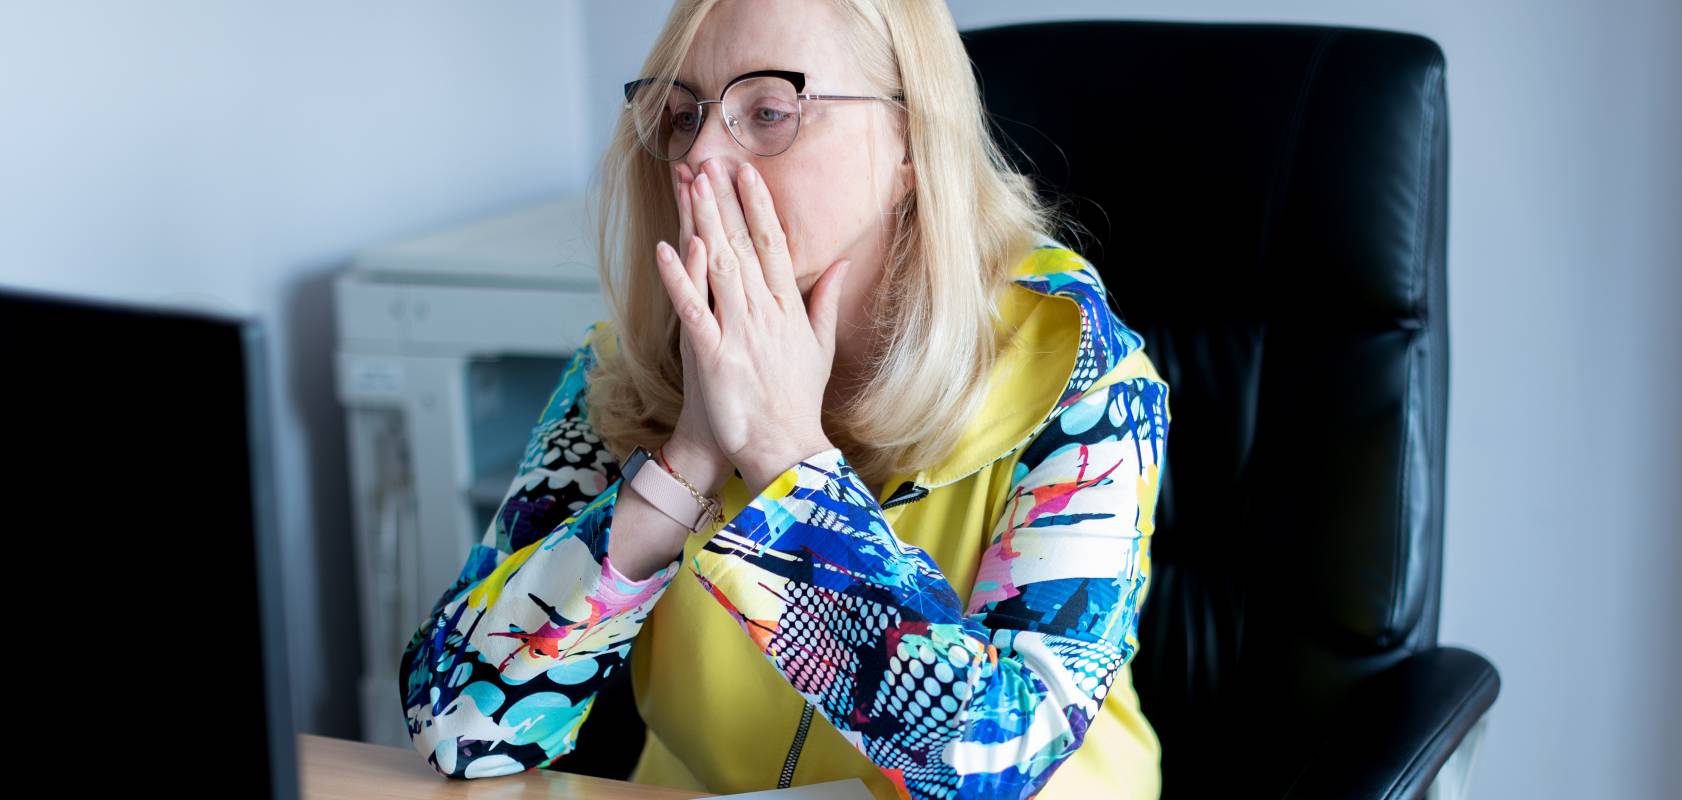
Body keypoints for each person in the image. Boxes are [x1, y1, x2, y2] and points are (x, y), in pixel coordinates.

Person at [398, 1, 1172, 798]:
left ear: (909, 141)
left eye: (767, 111)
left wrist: (784, 460)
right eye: (681, 114)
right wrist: (687, 459)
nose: (699, 154)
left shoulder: (1085, 388)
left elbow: (995, 764)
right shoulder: (623, 371)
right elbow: (457, 725)